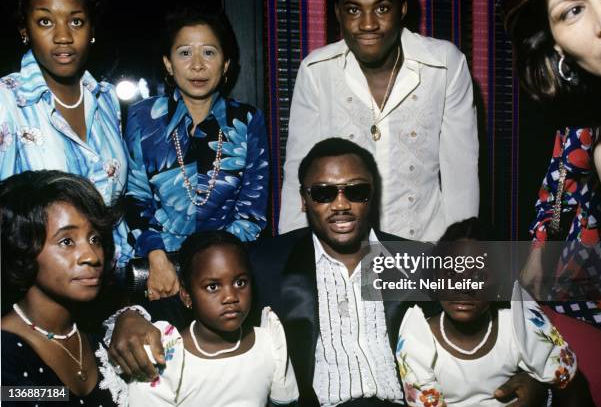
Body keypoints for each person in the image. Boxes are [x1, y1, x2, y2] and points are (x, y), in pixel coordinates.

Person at [107, 139, 545, 407]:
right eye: (323, 193)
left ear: (371, 197)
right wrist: (129, 317)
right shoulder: (266, 261)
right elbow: (187, 292)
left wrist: (535, 380)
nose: (340, 204)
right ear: (304, 200)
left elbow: (502, 303)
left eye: (355, 191)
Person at [279, 0, 479, 242]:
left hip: (426, 248)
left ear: (402, 9)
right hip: (345, 251)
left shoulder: (445, 64)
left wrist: (462, 259)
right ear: (338, 13)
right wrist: (292, 261)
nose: (368, 24)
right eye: (353, 10)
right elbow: (298, 175)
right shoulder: (316, 71)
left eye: (382, 8)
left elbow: (461, 175)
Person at [124, 5, 269, 301]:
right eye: (185, 53)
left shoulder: (247, 121)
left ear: (226, 63)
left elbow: (251, 212)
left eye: (209, 53)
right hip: (159, 274)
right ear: (168, 63)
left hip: (225, 276)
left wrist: (208, 270)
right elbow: (135, 199)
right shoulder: (142, 117)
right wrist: (158, 258)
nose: (198, 65)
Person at [396, 218, 591, 407]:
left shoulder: (521, 325)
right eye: (451, 273)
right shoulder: (417, 338)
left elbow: (572, 387)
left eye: (479, 275)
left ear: (500, 284)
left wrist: (542, 395)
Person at [503, 0, 601, 333]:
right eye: (573, 10)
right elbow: (560, 177)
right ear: (556, 46)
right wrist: (538, 250)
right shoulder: (587, 112)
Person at [96, 231, 298, 406]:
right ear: (186, 295)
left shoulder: (270, 342)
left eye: (240, 282)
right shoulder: (165, 354)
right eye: (213, 286)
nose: (230, 297)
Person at [0, 0, 132, 266]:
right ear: (25, 30)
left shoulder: (106, 100)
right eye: (45, 21)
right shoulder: (7, 101)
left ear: (92, 30)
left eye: (76, 21)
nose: (63, 36)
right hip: (37, 293)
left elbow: (119, 212)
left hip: (114, 284)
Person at [1, 170, 119, 406]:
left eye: (95, 239)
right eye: (67, 241)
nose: (91, 257)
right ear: (22, 247)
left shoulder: (100, 333)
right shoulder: (6, 356)